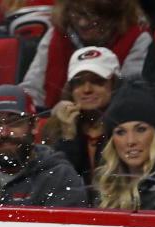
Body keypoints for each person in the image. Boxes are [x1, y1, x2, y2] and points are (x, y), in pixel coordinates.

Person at [19, 0, 155, 109]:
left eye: (91, 15)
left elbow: (129, 97)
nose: (82, 23)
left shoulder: (137, 38)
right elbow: (32, 91)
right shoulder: (55, 36)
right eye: (76, 14)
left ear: (113, 14)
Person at [95, 83, 155, 210]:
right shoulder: (108, 185)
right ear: (112, 141)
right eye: (121, 132)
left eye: (140, 129)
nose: (130, 141)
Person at [40, 46, 121, 187]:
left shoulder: (128, 126)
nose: (87, 89)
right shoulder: (53, 128)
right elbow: (56, 185)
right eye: (79, 82)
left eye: (97, 81)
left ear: (114, 84)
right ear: (70, 89)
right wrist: (68, 137)